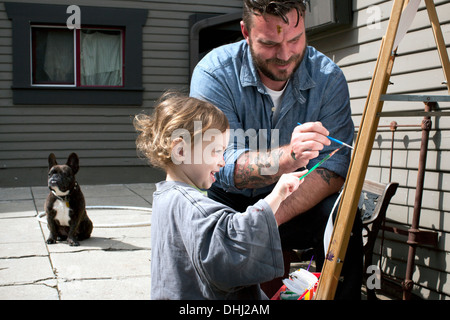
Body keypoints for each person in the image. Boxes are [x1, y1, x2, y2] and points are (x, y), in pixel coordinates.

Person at [190, 0, 363, 299]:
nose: (285, 55)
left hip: (295, 199)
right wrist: (288, 157)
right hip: (229, 205)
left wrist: (268, 218)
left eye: (295, 40)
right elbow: (221, 165)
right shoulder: (214, 74)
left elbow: (334, 167)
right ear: (245, 32)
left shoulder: (328, 78)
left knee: (342, 217)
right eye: (269, 44)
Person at [134, 92, 307, 299]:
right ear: (180, 151)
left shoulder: (164, 196)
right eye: (216, 151)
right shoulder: (191, 204)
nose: (222, 162)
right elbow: (233, 239)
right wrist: (277, 195)